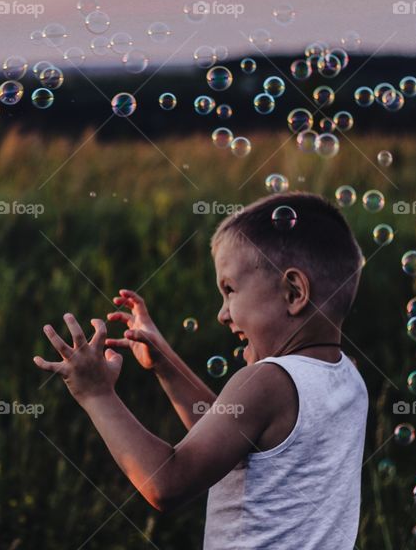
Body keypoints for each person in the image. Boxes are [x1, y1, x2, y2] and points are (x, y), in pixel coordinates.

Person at [34, 192, 369, 549]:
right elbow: (230, 436)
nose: (222, 314)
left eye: (230, 290)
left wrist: (96, 393)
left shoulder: (267, 381)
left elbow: (168, 484)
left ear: (293, 292)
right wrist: (166, 366)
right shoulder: (347, 378)